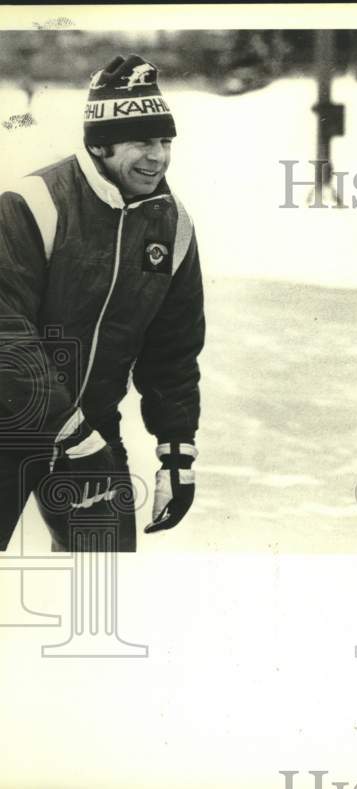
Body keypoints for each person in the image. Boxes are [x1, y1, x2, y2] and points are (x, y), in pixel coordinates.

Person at [0, 54, 205, 552]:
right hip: (11, 427)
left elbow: (172, 350)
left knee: (103, 589)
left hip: (91, 432)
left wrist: (176, 456)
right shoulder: (35, 203)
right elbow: (7, 331)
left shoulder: (170, 224)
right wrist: (69, 434)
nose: (158, 157)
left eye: (165, 142)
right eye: (143, 142)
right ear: (101, 144)